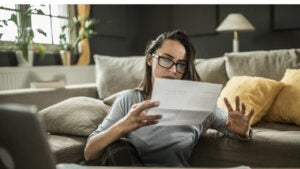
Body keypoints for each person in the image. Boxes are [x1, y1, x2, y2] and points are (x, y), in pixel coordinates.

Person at [84, 29, 254, 167]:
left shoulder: (198, 102)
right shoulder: (129, 100)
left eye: (180, 64)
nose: (173, 70)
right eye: (167, 60)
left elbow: (235, 132)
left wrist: (243, 131)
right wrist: (123, 126)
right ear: (150, 59)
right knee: (117, 147)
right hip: (128, 162)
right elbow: (89, 152)